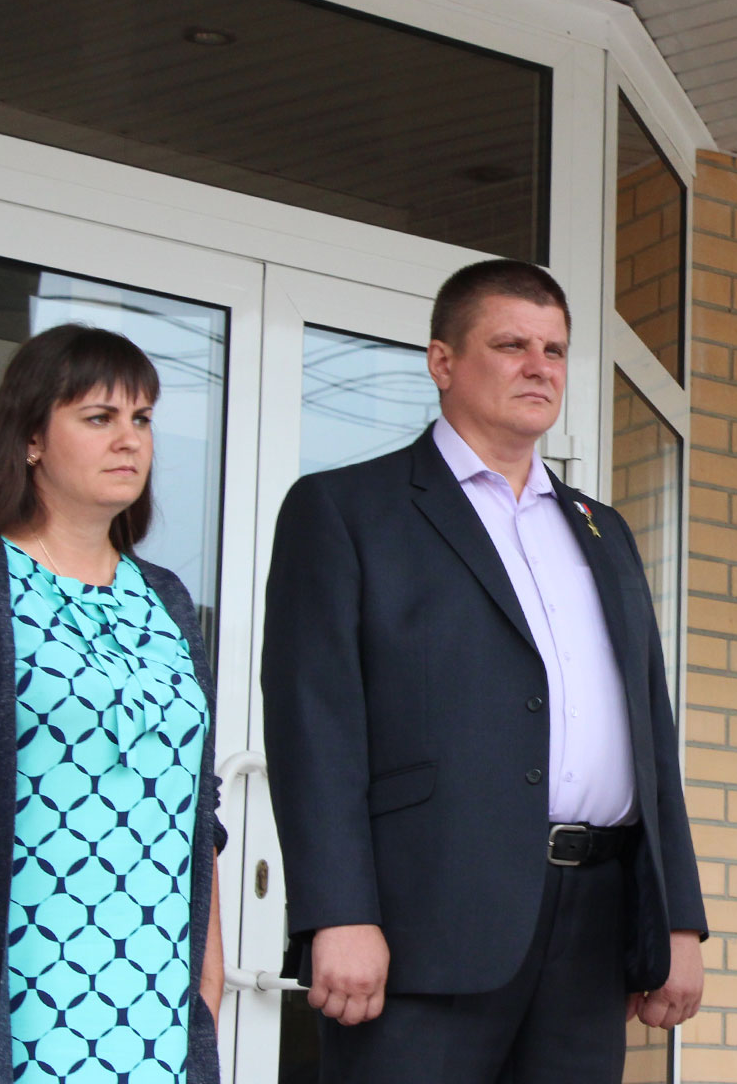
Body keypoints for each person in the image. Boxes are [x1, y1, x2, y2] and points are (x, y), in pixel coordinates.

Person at [261, 259, 705, 1084]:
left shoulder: (602, 531)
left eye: (555, 350)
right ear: (443, 361)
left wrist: (678, 919)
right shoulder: (347, 510)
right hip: (425, 925)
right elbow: (313, 730)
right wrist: (337, 912)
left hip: (593, 927)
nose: (540, 367)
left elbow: (651, 737)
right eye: (511, 345)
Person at [0, 325, 224, 1082]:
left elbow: (199, 803)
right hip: (18, 986)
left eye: (142, 419)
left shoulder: (165, 597)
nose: (129, 440)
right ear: (32, 438)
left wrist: (210, 971)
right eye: (99, 418)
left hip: (155, 993)